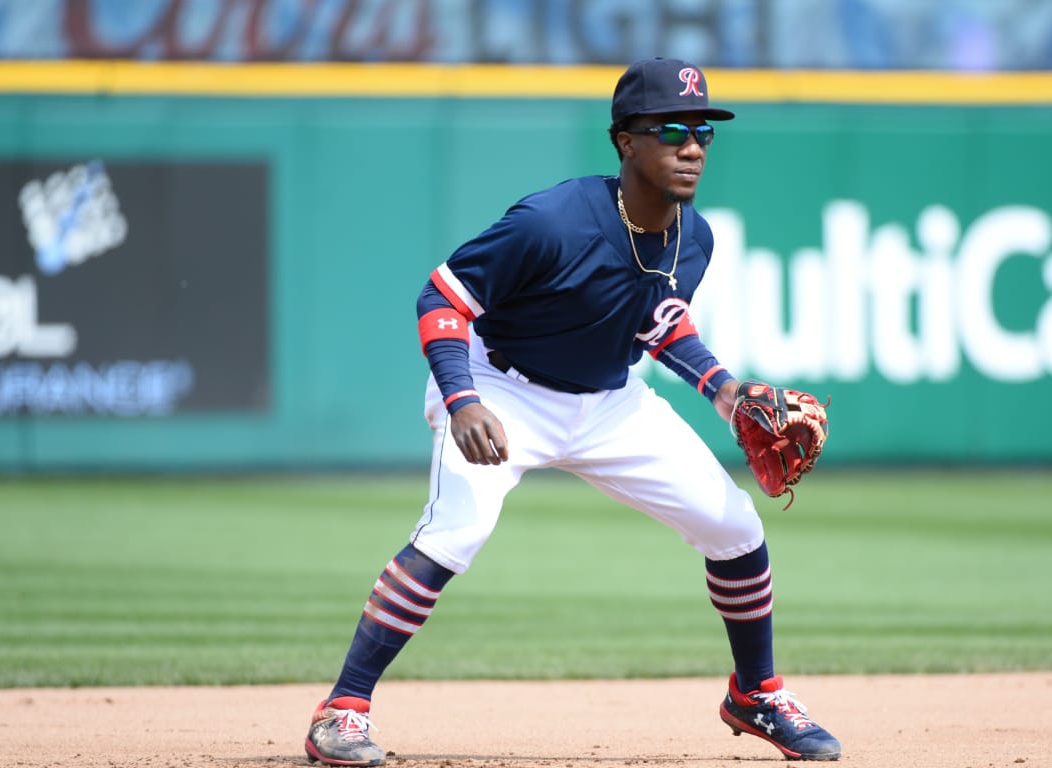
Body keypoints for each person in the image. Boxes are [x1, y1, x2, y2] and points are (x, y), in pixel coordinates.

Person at [304, 57, 843, 766]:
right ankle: (342, 711)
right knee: (454, 533)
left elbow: (657, 321)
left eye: (703, 134)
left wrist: (725, 391)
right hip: (501, 388)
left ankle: (758, 694)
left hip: (609, 404)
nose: (691, 147)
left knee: (734, 526)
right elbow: (442, 298)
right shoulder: (551, 222)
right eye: (671, 130)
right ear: (625, 141)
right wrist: (462, 398)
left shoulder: (695, 237)